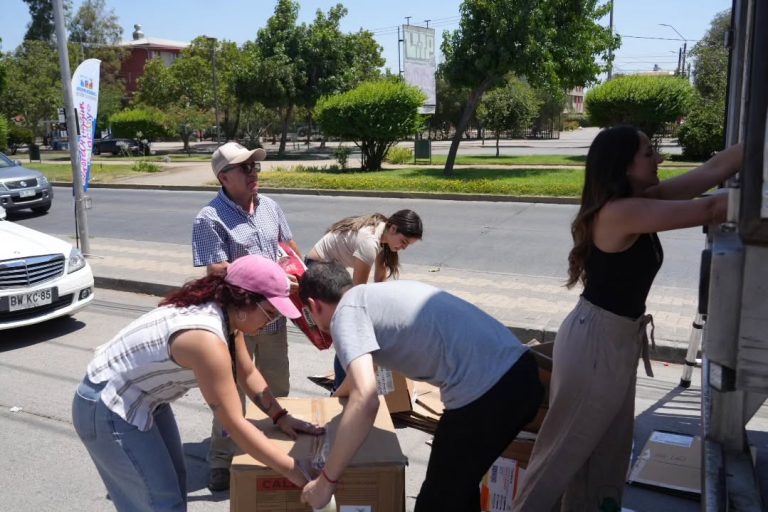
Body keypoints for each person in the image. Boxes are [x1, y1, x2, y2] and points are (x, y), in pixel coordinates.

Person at [513, 126, 743, 511]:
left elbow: (710, 172)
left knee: (607, 451)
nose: (659, 160)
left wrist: (757, 144)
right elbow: (711, 207)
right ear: (623, 165)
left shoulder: (640, 199)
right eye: (649, 153)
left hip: (615, 340)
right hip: (596, 343)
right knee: (561, 456)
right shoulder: (622, 211)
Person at [72, 255, 324, 512]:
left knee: (173, 489)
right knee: (161, 504)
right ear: (245, 299)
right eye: (270, 313)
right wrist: (295, 473)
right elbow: (234, 424)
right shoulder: (206, 341)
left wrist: (280, 416)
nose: (271, 322)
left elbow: (246, 373)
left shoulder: (227, 317)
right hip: (108, 407)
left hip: (146, 400)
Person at [297, 262, 544, 511]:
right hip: (519, 374)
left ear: (314, 305)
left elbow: (366, 400)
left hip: (489, 392)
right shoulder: (369, 297)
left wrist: (325, 483)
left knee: (437, 502)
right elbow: (360, 377)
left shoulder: (344, 317)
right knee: (456, 487)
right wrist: (334, 402)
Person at [192, 141, 302, 491]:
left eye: (256, 167)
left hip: (272, 317)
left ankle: (274, 451)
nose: (255, 173)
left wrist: (298, 270)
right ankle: (222, 459)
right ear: (224, 177)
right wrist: (265, 271)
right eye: (246, 168)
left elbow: (289, 247)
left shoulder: (270, 206)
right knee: (231, 395)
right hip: (236, 319)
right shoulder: (209, 218)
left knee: (277, 385)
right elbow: (214, 270)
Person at [305, 209, 423, 389]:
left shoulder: (383, 236)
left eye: (408, 245)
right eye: (403, 242)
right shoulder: (369, 243)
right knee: (347, 330)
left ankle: (347, 384)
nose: (404, 247)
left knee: (351, 329)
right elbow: (356, 292)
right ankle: (341, 387)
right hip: (317, 269)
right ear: (393, 229)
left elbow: (380, 279)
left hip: (332, 268)